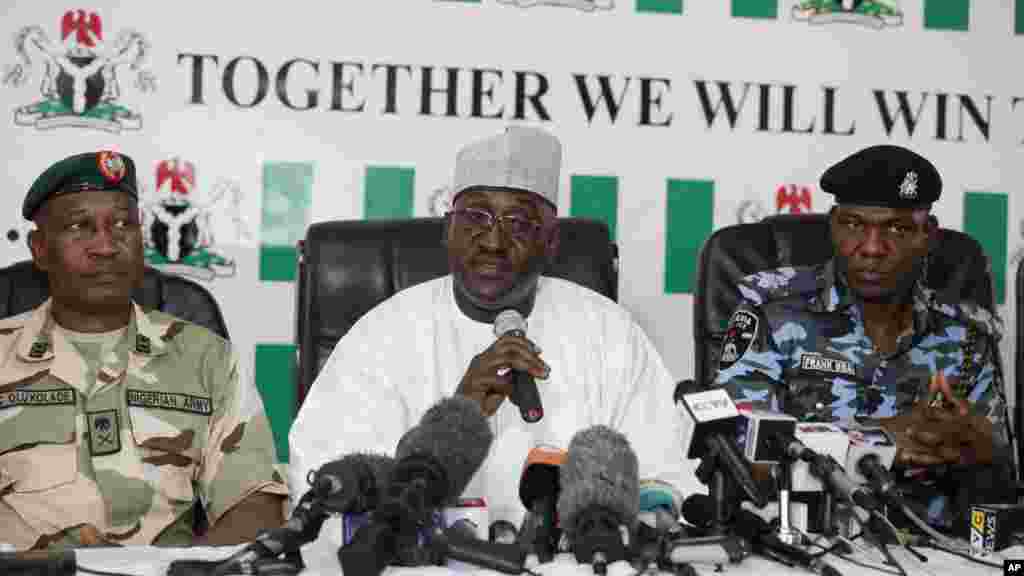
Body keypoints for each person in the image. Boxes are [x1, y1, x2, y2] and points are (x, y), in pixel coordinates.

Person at [289, 126, 687, 527]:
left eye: (518, 223)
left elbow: (669, 479)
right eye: (476, 217)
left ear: (551, 241)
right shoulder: (381, 336)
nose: (493, 241)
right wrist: (455, 418)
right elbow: (329, 489)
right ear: (448, 229)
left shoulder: (610, 334)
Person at [713, 144, 1014, 534]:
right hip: (805, 540)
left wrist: (978, 448)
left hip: (934, 548)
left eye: (897, 228)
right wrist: (881, 440)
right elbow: (740, 455)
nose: (872, 248)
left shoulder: (965, 337)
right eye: (854, 225)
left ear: (927, 235)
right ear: (833, 225)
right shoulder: (770, 314)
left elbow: (1000, 481)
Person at [0, 151, 288, 550]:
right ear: (39, 249)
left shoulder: (208, 359)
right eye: (79, 227)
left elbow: (255, 503)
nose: (105, 245)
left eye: (122, 224)